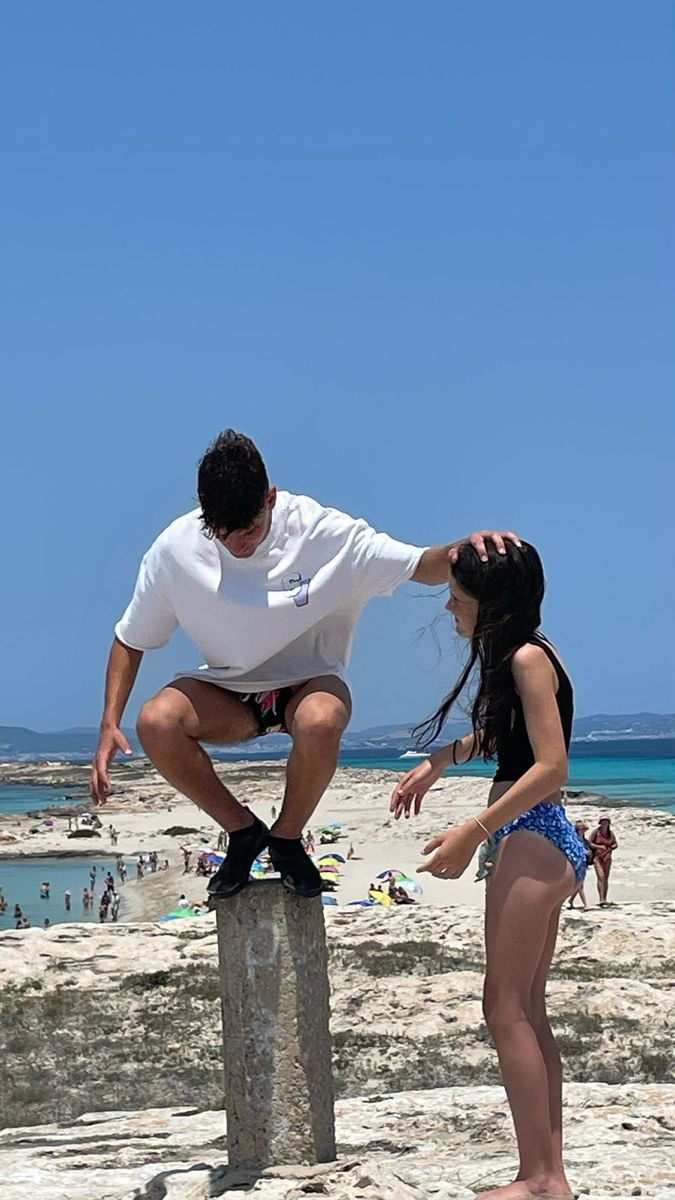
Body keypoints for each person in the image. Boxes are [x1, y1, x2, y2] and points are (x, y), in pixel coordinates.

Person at [90, 427, 517, 900]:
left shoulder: (323, 532)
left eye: (248, 530)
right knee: (155, 721)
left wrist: (463, 549)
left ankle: (287, 837)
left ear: (270, 498)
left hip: (307, 684)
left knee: (321, 720)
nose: (236, 545)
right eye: (222, 533)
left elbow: (422, 563)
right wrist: (110, 723)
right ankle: (244, 830)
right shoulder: (174, 550)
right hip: (227, 693)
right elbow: (129, 638)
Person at [390, 541, 585, 1200]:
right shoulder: (530, 651)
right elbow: (510, 734)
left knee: (502, 1010)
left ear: (491, 606)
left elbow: (550, 765)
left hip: (532, 837)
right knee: (526, 1009)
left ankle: (537, 1179)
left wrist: (472, 832)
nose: (448, 607)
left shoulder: (527, 658)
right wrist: (442, 758)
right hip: (542, 838)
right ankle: (547, 1177)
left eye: (459, 598)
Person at [588, 815, 618, 906]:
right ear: (600, 822)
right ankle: (601, 898)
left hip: (607, 857)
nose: (605, 823)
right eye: (603, 821)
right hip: (598, 857)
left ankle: (604, 898)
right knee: (601, 877)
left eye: (606, 821)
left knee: (606, 878)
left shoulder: (610, 833)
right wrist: (599, 847)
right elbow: (589, 843)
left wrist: (613, 847)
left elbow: (615, 843)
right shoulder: (596, 832)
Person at [568, 821, 593, 909]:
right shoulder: (574, 840)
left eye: (584, 829)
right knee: (580, 885)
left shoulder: (585, 841)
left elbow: (591, 847)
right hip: (576, 864)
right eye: (581, 829)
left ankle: (571, 900)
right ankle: (585, 904)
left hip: (583, 864)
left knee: (579, 884)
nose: (583, 831)